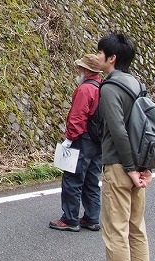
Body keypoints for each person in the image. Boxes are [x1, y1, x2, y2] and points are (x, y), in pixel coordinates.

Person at [96, 33, 152, 261]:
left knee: (116, 231)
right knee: (136, 228)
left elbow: (118, 130)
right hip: (139, 163)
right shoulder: (138, 84)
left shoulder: (109, 88)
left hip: (120, 166)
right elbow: (146, 127)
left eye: (100, 53)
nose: (97, 56)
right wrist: (142, 166)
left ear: (112, 58)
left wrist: (129, 167)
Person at [49, 54, 104, 232]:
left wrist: (69, 138)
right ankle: (92, 217)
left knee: (73, 178)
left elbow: (77, 117)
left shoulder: (85, 89)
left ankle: (70, 218)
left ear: (87, 70)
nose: (78, 71)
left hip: (83, 139)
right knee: (92, 179)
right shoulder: (102, 87)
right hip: (98, 140)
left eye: (81, 68)